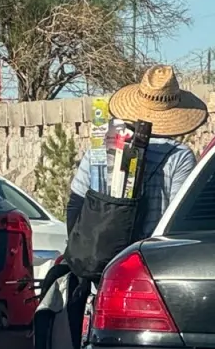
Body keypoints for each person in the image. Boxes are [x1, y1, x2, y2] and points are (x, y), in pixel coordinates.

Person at [65, 64, 205, 240]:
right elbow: (177, 218)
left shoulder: (101, 148)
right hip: (146, 257)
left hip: (96, 258)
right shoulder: (179, 156)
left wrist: (80, 251)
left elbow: (75, 205)